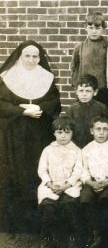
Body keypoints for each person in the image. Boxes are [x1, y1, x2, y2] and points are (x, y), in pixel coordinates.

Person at [0, 40, 61, 233]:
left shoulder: (46, 77)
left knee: (37, 171)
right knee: (15, 172)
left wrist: (40, 108)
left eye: (35, 56)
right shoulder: (7, 77)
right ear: (19, 56)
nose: (31, 60)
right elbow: (1, 104)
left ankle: (37, 222)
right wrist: (21, 111)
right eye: (27, 55)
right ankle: (14, 222)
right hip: (14, 133)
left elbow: (55, 102)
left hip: (38, 134)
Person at [37, 115, 83, 248]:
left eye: (67, 132)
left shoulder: (77, 150)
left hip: (70, 186)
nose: (63, 136)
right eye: (59, 132)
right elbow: (42, 170)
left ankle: (71, 239)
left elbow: (78, 171)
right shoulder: (48, 150)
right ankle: (47, 239)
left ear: (72, 133)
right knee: (48, 207)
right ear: (54, 133)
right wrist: (50, 184)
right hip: (50, 185)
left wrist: (66, 185)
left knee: (69, 206)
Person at [80, 115, 108, 248]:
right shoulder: (86, 150)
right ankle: (94, 236)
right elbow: (83, 170)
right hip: (91, 183)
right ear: (92, 131)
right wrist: (91, 183)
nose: (101, 132)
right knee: (85, 200)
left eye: (105, 129)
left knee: (106, 201)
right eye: (98, 129)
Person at [70, 12, 108, 106]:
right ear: (85, 27)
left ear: (103, 28)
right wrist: (77, 84)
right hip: (85, 88)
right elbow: (74, 66)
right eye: (91, 28)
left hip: (102, 89)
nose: (94, 31)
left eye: (98, 28)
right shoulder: (80, 46)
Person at [65, 74, 108, 148]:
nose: (84, 94)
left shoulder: (101, 108)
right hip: (76, 145)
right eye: (81, 91)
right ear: (76, 91)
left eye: (88, 91)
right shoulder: (72, 109)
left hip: (96, 146)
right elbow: (68, 129)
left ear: (95, 92)